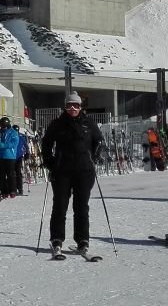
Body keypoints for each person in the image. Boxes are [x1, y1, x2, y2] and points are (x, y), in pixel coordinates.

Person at [41, 92, 104, 258]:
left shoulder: (88, 123)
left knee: (81, 207)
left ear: (80, 107)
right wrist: (50, 162)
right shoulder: (57, 124)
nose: (73, 108)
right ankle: (57, 240)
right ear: (65, 107)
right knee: (60, 206)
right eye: (69, 105)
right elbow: (46, 143)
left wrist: (95, 155)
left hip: (84, 171)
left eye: (76, 105)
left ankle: (82, 241)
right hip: (62, 171)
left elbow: (99, 141)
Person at [0, 117, 19, 200]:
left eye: (4, 127)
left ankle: (12, 190)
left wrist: (4, 145)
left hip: (10, 156)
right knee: (1, 175)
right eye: (2, 127)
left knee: (10, 174)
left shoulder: (13, 133)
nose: (3, 128)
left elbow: (15, 143)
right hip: (0, 156)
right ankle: (3, 191)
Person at [12, 124, 28, 196]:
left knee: (18, 173)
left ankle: (20, 189)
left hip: (19, 157)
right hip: (11, 157)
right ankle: (14, 189)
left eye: (17, 131)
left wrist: (27, 153)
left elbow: (26, 146)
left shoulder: (21, 138)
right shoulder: (11, 137)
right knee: (13, 174)